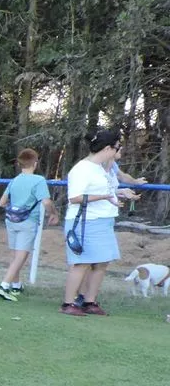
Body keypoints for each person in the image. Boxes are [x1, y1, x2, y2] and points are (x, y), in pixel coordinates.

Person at [61, 128, 130, 316]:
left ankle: (89, 301)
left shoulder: (100, 168)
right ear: (107, 148)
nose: (118, 151)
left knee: (101, 262)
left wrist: (117, 194)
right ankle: (68, 303)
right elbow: (75, 197)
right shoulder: (82, 169)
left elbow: (105, 190)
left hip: (103, 220)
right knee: (81, 262)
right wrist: (105, 196)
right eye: (117, 147)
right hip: (85, 221)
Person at [0, 148, 56, 301]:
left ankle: (16, 285)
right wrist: (53, 213)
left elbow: (1, 203)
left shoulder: (14, 180)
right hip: (28, 221)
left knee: (15, 255)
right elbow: (46, 201)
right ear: (35, 163)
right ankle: (4, 285)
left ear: (19, 164)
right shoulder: (39, 180)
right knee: (21, 256)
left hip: (11, 220)